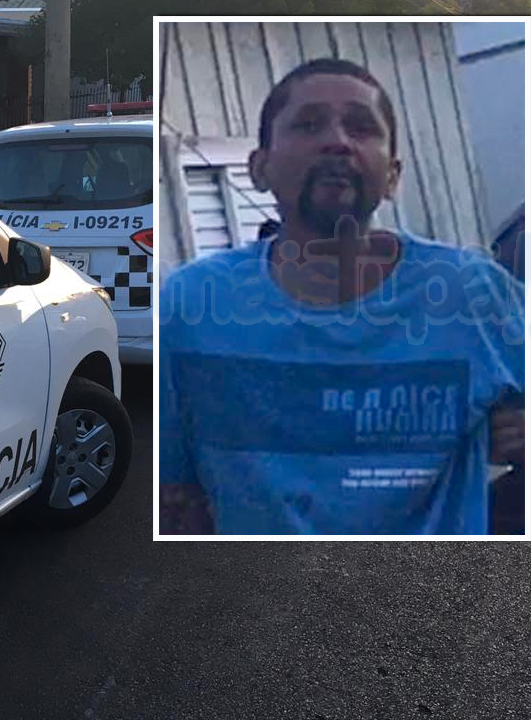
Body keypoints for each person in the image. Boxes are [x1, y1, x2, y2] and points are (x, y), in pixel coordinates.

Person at [159, 58, 524, 535]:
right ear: (259, 168)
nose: (338, 141)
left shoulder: (472, 294)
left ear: (392, 176)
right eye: (309, 124)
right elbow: (174, 500)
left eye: (361, 127)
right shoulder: (190, 305)